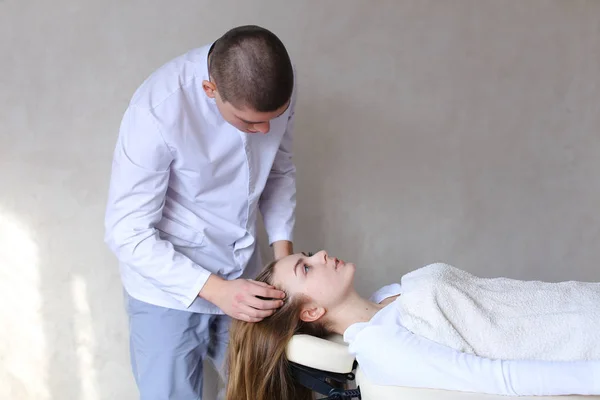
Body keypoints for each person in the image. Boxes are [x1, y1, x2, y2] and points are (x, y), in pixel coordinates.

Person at [104, 25, 297, 400]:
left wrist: (284, 266)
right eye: (249, 122)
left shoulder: (277, 84)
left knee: (265, 392)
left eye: (275, 118)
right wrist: (217, 291)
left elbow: (279, 170)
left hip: (245, 273)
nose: (264, 131)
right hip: (167, 287)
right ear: (211, 90)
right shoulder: (155, 111)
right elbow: (127, 232)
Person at [225, 250, 600, 400]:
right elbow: (499, 378)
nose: (321, 254)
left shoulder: (387, 296)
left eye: (307, 254)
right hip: (583, 341)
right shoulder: (380, 347)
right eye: (306, 267)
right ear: (310, 313)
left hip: (582, 301)